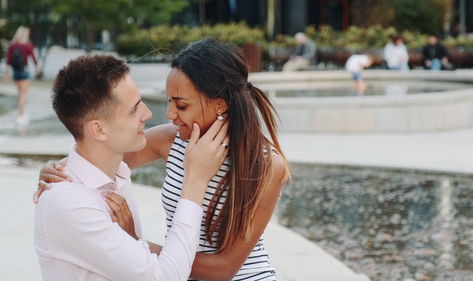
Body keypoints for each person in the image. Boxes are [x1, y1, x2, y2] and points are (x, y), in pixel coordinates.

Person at [37, 39, 290, 280]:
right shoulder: (173, 140)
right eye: (170, 101)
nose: (170, 115)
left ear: (220, 105)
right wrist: (59, 170)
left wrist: (135, 243)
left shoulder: (266, 166)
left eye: (181, 106)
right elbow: (99, 153)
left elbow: (224, 270)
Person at [6, 26, 40, 125]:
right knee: (23, 95)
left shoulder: (12, 45)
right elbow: (34, 58)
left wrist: (7, 72)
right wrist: (37, 69)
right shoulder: (28, 46)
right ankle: (21, 115)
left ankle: (21, 113)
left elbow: (8, 59)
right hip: (24, 71)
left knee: (20, 94)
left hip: (15, 72)